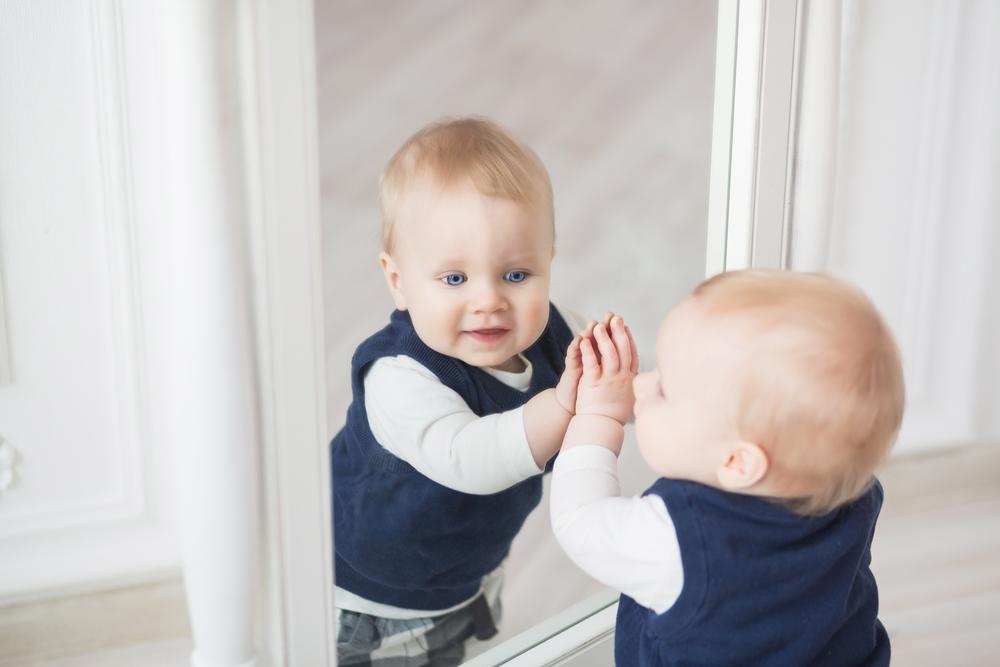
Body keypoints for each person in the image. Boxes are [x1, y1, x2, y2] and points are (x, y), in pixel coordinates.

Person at [331, 116, 599, 666]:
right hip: (375, 591)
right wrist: (565, 404)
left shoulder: (556, 333)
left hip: (461, 560)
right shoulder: (399, 377)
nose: (488, 300)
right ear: (398, 279)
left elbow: (613, 386)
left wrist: (649, 386)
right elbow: (471, 458)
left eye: (516, 275)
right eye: (454, 279)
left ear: (548, 261)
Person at [551, 270, 905, 667]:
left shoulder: (680, 543)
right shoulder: (853, 489)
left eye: (665, 388)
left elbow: (578, 521)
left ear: (737, 462)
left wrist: (598, 415)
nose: (641, 384)